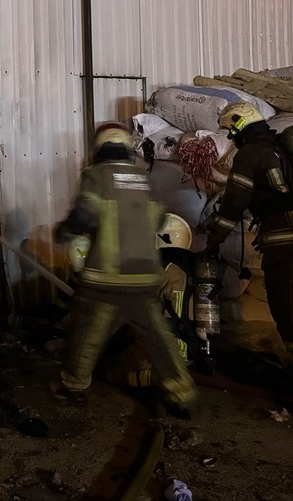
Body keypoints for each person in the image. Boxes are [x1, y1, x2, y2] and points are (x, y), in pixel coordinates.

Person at [55, 122, 196, 416]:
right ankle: (181, 392)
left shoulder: (97, 175)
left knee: (87, 333)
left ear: (99, 149)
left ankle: (73, 385)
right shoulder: (140, 179)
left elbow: (86, 214)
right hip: (145, 276)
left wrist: (65, 232)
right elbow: (158, 219)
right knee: (158, 338)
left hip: (107, 278)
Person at [204, 101, 293, 380]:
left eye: (231, 132)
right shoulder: (281, 145)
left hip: (285, 240)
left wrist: (213, 240)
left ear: (240, 125)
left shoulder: (251, 153)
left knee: (288, 304)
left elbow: (234, 202)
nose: (231, 138)